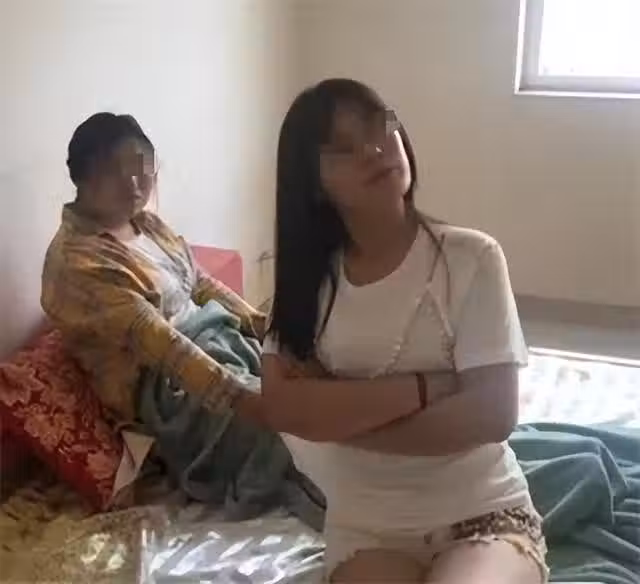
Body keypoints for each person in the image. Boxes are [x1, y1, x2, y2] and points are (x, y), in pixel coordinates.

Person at [262, 79, 548, 583]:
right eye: (344, 148)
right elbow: (284, 407)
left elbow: (492, 415)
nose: (375, 150)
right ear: (315, 183)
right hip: (369, 530)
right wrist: (428, 388)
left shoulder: (471, 258)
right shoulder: (307, 286)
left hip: (483, 512)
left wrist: (338, 416)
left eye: (380, 127)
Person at [40, 113, 324, 520]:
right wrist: (244, 401)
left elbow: (201, 284)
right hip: (170, 391)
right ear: (82, 179)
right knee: (289, 437)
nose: (133, 183)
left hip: (216, 342)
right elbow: (161, 344)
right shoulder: (77, 261)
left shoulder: (146, 224)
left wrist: (269, 331)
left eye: (140, 166)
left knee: (320, 388)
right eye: (113, 171)